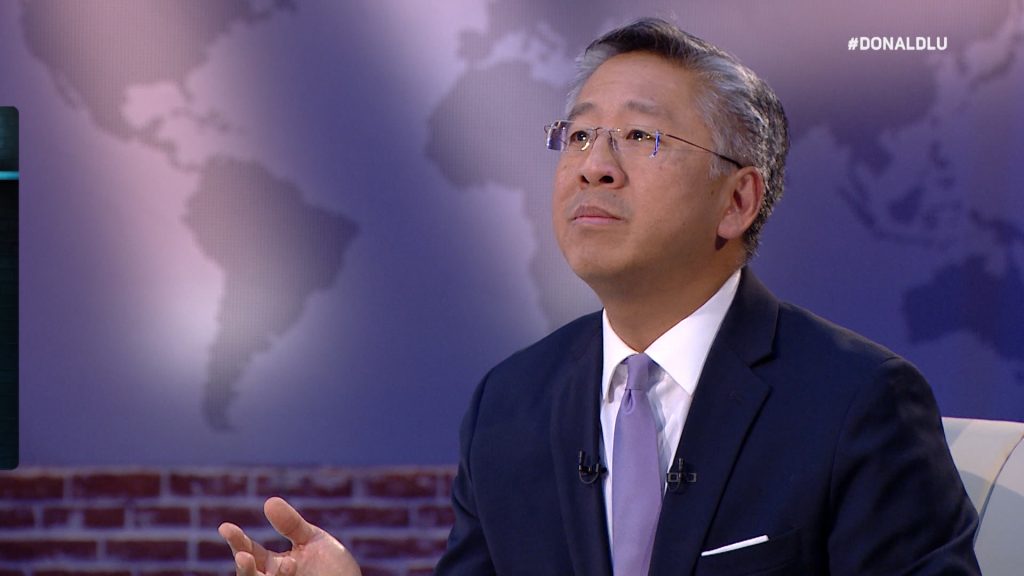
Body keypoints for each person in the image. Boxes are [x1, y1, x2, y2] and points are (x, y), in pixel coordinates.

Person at [219, 17, 981, 575]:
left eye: (641, 137)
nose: (594, 166)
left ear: (737, 201)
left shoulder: (857, 403)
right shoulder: (510, 406)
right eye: (579, 136)